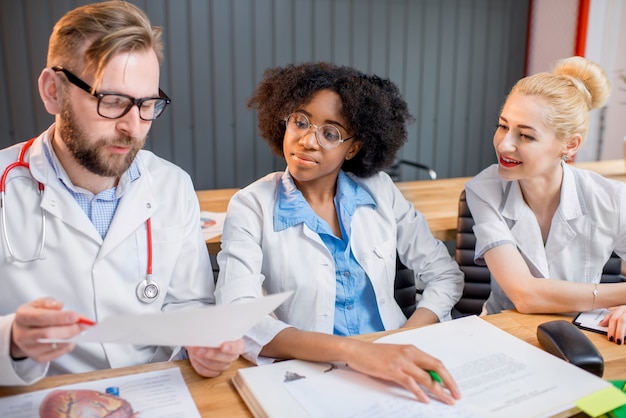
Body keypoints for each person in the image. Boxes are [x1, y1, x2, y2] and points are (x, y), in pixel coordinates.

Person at [0, 1, 243, 386]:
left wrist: (198, 343)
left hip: (156, 393)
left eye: (147, 104)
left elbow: (188, 303)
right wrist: (9, 342)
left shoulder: (172, 185)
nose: (134, 127)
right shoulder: (4, 188)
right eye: (111, 101)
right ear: (52, 92)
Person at [215, 62, 463, 404]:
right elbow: (238, 317)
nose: (307, 141)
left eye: (329, 133)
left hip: (396, 366)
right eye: (300, 121)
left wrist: (403, 341)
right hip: (312, 376)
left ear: (353, 148)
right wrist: (357, 352)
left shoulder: (380, 190)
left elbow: (444, 275)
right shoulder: (250, 206)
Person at [465, 56, 626, 344]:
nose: (504, 144)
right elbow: (525, 295)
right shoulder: (484, 188)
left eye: (525, 135)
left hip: (583, 338)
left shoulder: (612, 198)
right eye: (503, 126)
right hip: (503, 335)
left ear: (570, 144)